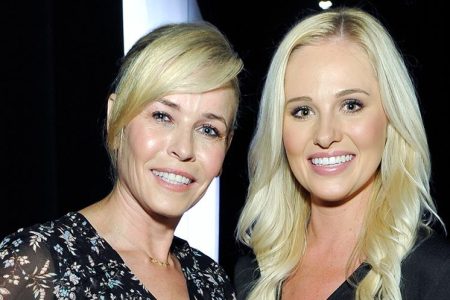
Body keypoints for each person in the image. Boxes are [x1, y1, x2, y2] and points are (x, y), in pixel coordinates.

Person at [0, 22, 243, 299]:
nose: (183, 148)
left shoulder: (213, 281)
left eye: (208, 130)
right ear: (116, 117)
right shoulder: (37, 263)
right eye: (162, 116)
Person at [234, 7, 450, 300]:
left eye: (351, 105)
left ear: (391, 118)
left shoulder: (436, 273)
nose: (325, 135)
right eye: (303, 111)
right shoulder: (252, 274)